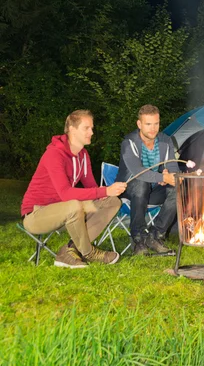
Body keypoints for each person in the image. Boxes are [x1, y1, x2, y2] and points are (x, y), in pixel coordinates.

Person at [21, 110, 126, 268]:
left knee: (112, 202)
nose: (91, 132)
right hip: (37, 215)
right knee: (74, 204)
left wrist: (106, 193)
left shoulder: (83, 155)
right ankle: (88, 252)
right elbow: (65, 193)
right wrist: (104, 190)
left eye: (92, 128)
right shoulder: (54, 154)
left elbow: (91, 187)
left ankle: (70, 250)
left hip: (68, 213)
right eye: (86, 128)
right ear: (71, 129)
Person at [116, 104, 179, 256]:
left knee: (178, 188)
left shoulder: (165, 141)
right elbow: (138, 172)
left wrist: (168, 175)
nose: (153, 128)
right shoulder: (129, 143)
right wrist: (161, 177)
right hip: (130, 191)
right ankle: (138, 238)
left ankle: (155, 235)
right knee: (140, 183)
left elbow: (173, 168)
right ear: (139, 124)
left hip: (153, 190)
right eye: (148, 124)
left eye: (156, 123)